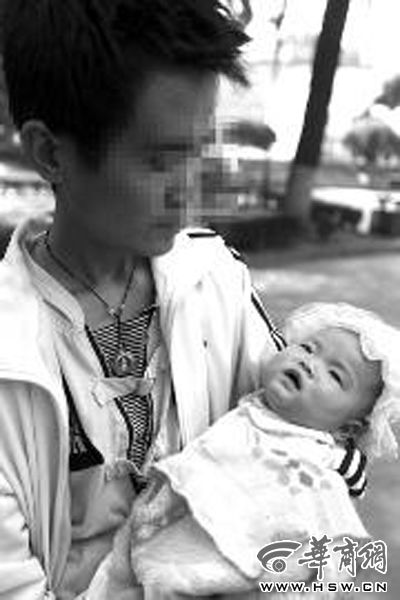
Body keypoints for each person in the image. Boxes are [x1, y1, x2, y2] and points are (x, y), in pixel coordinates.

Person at [0, 2, 365, 599]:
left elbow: (318, 447)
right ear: (50, 152)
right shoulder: (9, 359)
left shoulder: (214, 280)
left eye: (198, 153)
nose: (190, 190)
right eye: (161, 161)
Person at [104, 303, 400, 598]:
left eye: (335, 375)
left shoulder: (322, 459)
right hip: (176, 532)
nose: (310, 364)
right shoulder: (253, 402)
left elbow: (332, 515)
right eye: (308, 348)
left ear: (348, 429)